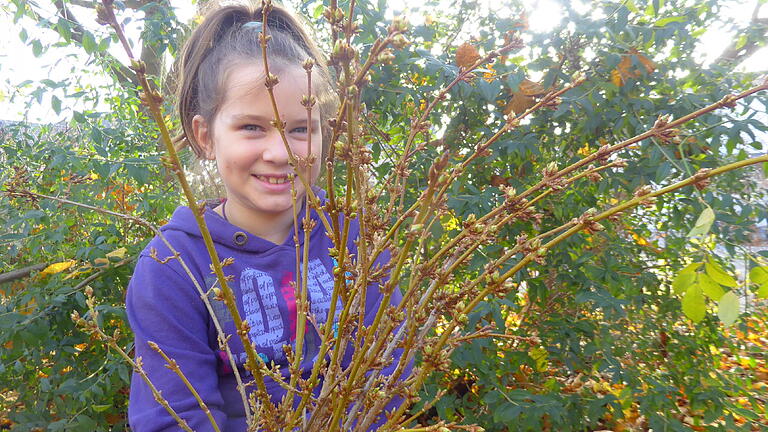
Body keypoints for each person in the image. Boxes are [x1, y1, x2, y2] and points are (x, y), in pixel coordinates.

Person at [125, 2, 406, 430]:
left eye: (299, 128)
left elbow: (387, 376)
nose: (279, 154)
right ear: (206, 137)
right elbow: (175, 419)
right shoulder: (172, 267)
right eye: (252, 128)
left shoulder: (354, 238)